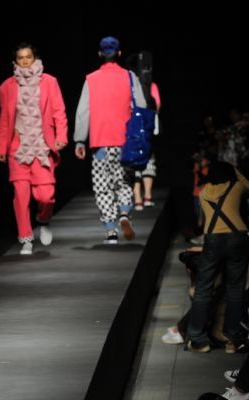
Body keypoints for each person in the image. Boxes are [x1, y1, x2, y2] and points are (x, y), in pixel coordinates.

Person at [0, 42, 68, 255]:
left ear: (35, 58)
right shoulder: (6, 87)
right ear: (15, 61)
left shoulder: (49, 82)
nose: (25, 61)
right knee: (21, 195)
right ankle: (26, 238)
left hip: (42, 147)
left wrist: (61, 136)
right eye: (21, 58)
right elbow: (5, 119)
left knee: (46, 196)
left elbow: (59, 111)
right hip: (17, 150)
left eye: (28, 57)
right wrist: (1, 146)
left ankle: (43, 220)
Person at [74, 36, 147, 244]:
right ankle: (124, 213)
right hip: (125, 140)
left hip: (100, 141)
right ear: (120, 53)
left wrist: (79, 140)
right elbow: (140, 107)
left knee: (102, 185)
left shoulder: (91, 79)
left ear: (100, 54)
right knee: (123, 181)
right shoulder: (130, 77)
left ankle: (110, 230)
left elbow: (83, 112)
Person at [186, 162, 249, 352]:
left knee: (203, 288)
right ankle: (232, 339)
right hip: (237, 237)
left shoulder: (205, 192)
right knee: (235, 288)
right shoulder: (237, 186)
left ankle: (198, 339)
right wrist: (236, 169)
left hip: (214, 239)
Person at [127, 50, 161, 211]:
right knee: (147, 159)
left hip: (132, 127)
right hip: (147, 127)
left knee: (134, 162)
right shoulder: (151, 85)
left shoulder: (130, 83)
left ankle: (139, 199)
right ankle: (146, 197)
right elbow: (157, 106)